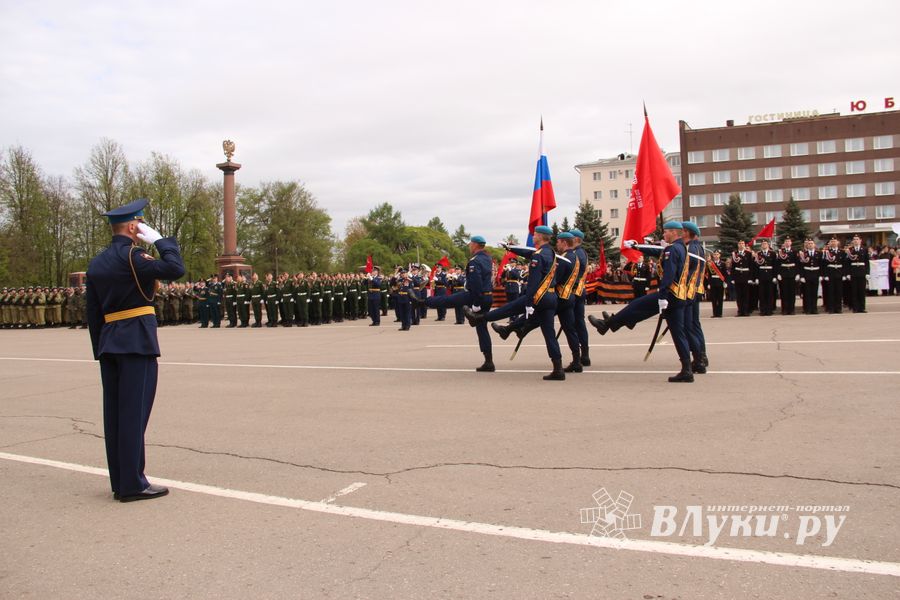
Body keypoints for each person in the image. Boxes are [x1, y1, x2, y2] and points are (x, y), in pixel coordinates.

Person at [85, 198, 184, 502]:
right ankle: (132, 484)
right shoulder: (133, 256)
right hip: (136, 344)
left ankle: (121, 480)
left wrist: (99, 349)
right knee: (133, 415)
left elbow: (93, 313)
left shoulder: (98, 261)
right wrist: (160, 240)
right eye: (140, 223)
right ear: (133, 226)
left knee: (115, 415)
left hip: (109, 344)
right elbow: (174, 268)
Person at [587, 221, 696, 383]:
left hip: (671, 295)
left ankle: (609, 324)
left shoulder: (673, 250)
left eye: (666, 232)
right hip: (680, 296)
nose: (663, 235)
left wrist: (663, 296)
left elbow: (669, 274)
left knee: (636, 305)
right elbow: (656, 250)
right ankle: (687, 369)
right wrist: (637, 246)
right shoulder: (681, 248)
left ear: (674, 232)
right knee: (677, 332)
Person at [464, 227, 563, 380]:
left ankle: (480, 318)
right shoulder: (550, 252)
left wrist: (529, 303)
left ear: (540, 237)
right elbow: (527, 252)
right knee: (549, 334)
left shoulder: (538, 256)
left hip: (538, 297)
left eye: (535, 234)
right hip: (551, 297)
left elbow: (533, 283)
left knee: (509, 308)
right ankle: (558, 369)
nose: (533, 236)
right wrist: (511, 248)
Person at [414, 236, 495, 371]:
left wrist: (476, 303)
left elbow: (476, 283)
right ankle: (488, 361)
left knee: (448, 300)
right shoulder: (487, 258)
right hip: (486, 296)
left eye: (470, 243)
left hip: (476, 296)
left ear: (475, 245)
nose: (469, 246)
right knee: (482, 329)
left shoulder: (475, 260)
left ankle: (422, 302)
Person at [568, 229, 591, 366]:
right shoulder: (581, 253)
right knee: (579, 323)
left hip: (575, 291)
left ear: (576, 239)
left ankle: (582, 355)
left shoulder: (578, 253)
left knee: (575, 323)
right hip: (579, 290)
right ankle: (584, 355)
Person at [846, 234, 869, 312]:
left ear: (860, 240)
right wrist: (848, 273)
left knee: (862, 291)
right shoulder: (850, 250)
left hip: (862, 272)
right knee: (854, 291)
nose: (855, 240)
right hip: (853, 272)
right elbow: (847, 263)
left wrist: (867, 273)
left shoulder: (864, 249)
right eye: (854, 239)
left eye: (857, 239)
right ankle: (855, 308)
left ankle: (862, 308)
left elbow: (867, 262)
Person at [776, 237, 798, 315]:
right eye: (786, 241)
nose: (787, 242)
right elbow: (777, 263)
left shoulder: (795, 251)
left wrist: (797, 274)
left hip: (792, 273)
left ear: (791, 243)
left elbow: (797, 263)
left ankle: (791, 309)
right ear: (784, 243)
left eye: (789, 241)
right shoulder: (780, 252)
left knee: (792, 293)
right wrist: (778, 273)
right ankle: (784, 309)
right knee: (784, 293)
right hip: (783, 274)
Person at [799, 238, 821, 314]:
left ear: (814, 245)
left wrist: (821, 275)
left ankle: (814, 309)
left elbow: (821, 265)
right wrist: (801, 276)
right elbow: (801, 266)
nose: (810, 245)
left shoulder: (819, 253)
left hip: (815, 274)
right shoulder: (803, 254)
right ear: (807, 245)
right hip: (807, 274)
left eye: (812, 243)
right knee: (807, 293)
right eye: (809, 244)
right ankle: (808, 309)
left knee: (814, 293)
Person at [731, 240, 753, 316]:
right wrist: (733, 278)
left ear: (744, 245)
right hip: (737, 276)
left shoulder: (748, 254)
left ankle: (746, 311)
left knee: (746, 295)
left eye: (742, 243)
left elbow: (751, 266)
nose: (741, 245)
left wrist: (750, 278)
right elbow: (733, 267)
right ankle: (740, 311)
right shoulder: (734, 254)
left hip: (746, 276)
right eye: (740, 243)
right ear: (738, 245)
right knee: (739, 295)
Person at [755, 239, 776, 316]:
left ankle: (769, 310)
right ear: (761, 246)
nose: (764, 245)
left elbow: (775, 265)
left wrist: (774, 276)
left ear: (768, 245)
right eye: (763, 244)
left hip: (770, 276)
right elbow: (756, 267)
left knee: (769, 294)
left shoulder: (772, 254)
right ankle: (763, 310)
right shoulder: (758, 254)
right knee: (762, 294)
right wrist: (756, 277)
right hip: (761, 276)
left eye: (765, 244)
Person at [705, 250, 726, 318]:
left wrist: (725, 282)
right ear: (713, 256)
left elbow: (724, 274)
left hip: (720, 282)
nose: (716, 256)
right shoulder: (710, 264)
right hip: (713, 282)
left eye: (717, 254)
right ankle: (715, 313)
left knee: (720, 298)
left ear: (719, 255)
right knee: (713, 298)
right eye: (715, 254)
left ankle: (719, 313)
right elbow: (708, 274)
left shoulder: (723, 263)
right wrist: (708, 283)